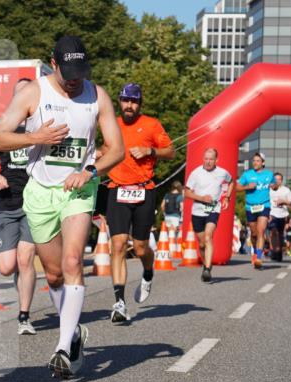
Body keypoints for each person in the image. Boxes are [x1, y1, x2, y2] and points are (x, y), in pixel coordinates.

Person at [0, 35, 124, 379]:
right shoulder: (33, 92)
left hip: (78, 191)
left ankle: (63, 348)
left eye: (80, 71)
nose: (75, 79)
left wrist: (90, 171)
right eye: (68, 72)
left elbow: (117, 149)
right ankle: (75, 331)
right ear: (53, 63)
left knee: (72, 261)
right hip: (39, 192)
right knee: (51, 273)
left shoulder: (98, 96)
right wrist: (35, 138)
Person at [98, 82, 174, 323]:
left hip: (143, 191)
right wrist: (100, 153)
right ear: (119, 101)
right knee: (118, 244)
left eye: (134, 101)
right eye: (125, 100)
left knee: (140, 247)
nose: (129, 105)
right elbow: (106, 147)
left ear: (139, 104)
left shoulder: (151, 124)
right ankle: (119, 302)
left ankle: (148, 271)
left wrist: (150, 151)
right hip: (117, 189)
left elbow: (170, 151)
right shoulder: (112, 124)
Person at [0, 77, 38, 335]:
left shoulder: (40, 129)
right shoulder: (2, 129)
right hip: (7, 204)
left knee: (26, 259)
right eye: (19, 93)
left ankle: (24, 316)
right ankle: (21, 279)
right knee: (6, 267)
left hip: (33, 205)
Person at [183, 147, 232, 282]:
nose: (208, 162)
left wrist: (227, 197)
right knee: (202, 243)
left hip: (213, 209)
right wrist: (201, 198)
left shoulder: (222, 172)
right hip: (197, 211)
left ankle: (208, 268)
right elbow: (186, 193)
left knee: (209, 236)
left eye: (211, 159)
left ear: (216, 160)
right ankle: (205, 263)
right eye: (206, 159)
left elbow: (231, 181)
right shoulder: (196, 173)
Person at [236, 152, 275, 269]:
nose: (255, 163)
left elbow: (274, 184)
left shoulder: (269, 174)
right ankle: (254, 253)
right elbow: (237, 187)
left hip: (264, 205)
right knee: (253, 234)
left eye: (258, 161)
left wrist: (274, 186)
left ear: (263, 163)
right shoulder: (247, 175)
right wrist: (247, 187)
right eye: (254, 160)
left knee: (261, 231)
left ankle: (259, 257)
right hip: (250, 207)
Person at [268, 172, 291, 262]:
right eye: (275, 179)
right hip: (271, 214)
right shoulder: (268, 189)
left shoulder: (286, 190)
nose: (277, 181)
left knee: (280, 234)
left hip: (282, 215)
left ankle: (279, 252)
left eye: (279, 179)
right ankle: (274, 251)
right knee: (273, 233)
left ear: (282, 181)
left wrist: (284, 201)